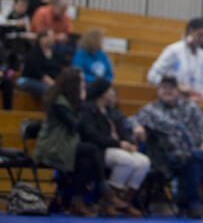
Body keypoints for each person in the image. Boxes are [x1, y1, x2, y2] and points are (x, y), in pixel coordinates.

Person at [131, 75, 203, 218]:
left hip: (198, 151)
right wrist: (137, 127)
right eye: (164, 87)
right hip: (170, 158)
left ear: (177, 91)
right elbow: (131, 120)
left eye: (171, 88)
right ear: (158, 91)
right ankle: (193, 202)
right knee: (194, 162)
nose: (168, 90)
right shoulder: (151, 110)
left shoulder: (190, 107)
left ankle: (192, 202)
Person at [33, 67, 123, 216]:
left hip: (67, 144)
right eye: (81, 80)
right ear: (73, 83)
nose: (83, 83)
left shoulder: (69, 100)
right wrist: (82, 102)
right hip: (53, 146)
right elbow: (74, 125)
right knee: (92, 150)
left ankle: (76, 201)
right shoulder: (58, 101)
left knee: (87, 161)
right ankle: (104, 191)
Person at [79, 78, 149, 217]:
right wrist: (119, 144)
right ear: (102, 93)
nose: (113, 93)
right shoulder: (88, 109)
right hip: (100, 149)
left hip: (118, 147)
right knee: (125, 160)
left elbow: (125, 129)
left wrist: (129, 143)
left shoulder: (113, 111)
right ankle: (108, 201)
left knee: (143, 161)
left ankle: (124, 201)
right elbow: (91, 135)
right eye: (110, 90)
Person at [147, 17, 203, 122]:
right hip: (171, 106)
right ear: (191, 31)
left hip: (193, 108)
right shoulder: (174, 50)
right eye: (200, 35)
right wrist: (177, 86)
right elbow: (152, 76)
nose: (202, 40)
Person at [16, 30, 63, 98]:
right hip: (29, 80)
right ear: (42, 38)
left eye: (52, 36)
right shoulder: (34, 51)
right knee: (51, 90)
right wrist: (52, 83)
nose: (51, 39)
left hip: (49, 82)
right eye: (49, 37)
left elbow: (57, 70)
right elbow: (36, 72)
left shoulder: (55, 54)